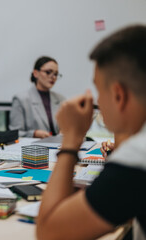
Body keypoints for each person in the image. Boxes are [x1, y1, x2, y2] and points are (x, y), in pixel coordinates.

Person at [37, 25, 146, 240]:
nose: (98, 102)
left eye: (99, 90)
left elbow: (49, 232)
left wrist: (72, 138)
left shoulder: (138, 157)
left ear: (118, 95)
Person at [9, 56, 65, 138]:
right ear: (35, 73)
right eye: (48, 72)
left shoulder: (61, 99)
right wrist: (34, 133)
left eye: (56, 74)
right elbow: (14, 133)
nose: (53, 77)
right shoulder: (21, 99)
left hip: (59, 147)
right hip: (34, 149)